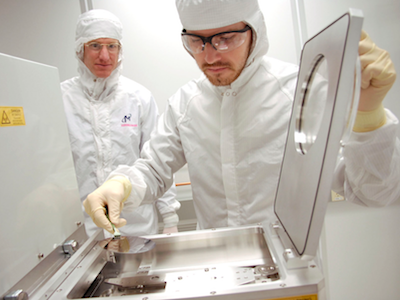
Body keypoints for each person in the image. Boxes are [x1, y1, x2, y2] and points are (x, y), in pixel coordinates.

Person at [83, 0, 399, 233]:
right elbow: (152, 169)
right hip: (218, 274)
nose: (209, 56)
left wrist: (368, 116)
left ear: (255, 32)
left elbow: (374, 192)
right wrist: (122, 184)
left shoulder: (299, 94)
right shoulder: (186, 104)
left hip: (290, 276)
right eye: (196, 41)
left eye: (226, 38)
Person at [61, 9, 180, 237]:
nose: (105, 56)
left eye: (112, 46)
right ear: (80, 50)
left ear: (120, 50)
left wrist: (170, 217)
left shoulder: (138, 98)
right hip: (83, 230)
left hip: (136, 226)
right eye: (95, 45)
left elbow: (157, 160)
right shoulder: (61, 100)